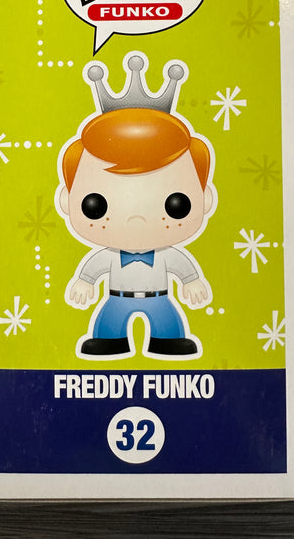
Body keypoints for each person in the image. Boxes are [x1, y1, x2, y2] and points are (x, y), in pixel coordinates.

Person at [55, 52, 216, 359]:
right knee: (109, 325)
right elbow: (93, 269)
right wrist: (85, 282)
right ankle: (108, 341)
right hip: (117, 298)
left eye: (176, 205)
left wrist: (191, 281)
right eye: (95, 205)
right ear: (67, 199)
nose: (136, 220)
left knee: (167, 325)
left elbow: (183, 268)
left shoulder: (167, 256)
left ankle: (168, 340)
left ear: (204, 198)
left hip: (160, 298)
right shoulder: (109, 257)